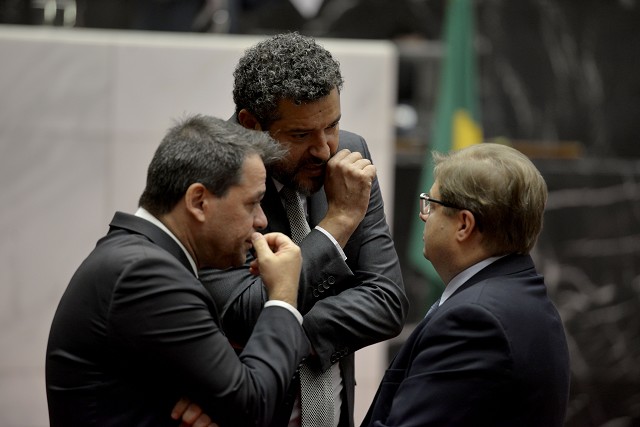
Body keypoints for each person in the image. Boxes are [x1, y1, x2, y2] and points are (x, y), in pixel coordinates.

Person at [198, 32, 409, 427]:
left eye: (332, 125)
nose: (324, 150)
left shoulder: (351, 155)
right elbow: (243, 313)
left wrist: (284, 331)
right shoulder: (212, 172)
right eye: (300, 135)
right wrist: (337, 224)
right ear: (251, 125)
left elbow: (387, 302)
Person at [45, 114, 310, 427]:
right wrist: (282, 296)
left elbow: (234, 401)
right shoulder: (146, 274)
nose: (261, 221)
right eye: (252, 203)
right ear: (198, 201)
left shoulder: (141, 260)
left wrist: (218, 404)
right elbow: (252, 407)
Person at [361, 143, 571, 426]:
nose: (424, 215)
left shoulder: (475, 320)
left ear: (464, 225)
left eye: (432, 205)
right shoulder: (523, 297)